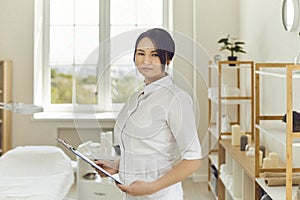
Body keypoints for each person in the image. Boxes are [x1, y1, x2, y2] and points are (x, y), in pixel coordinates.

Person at [95, 28, 202, 200]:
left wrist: (151, 188)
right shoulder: (136, 97)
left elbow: (193, 160)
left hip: (160, 196)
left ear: (168, 58)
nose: (146, 61)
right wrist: (116, 166)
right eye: (140, 53)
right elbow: (143, 150)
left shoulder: (176, 99)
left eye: (154, 54)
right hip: (132, 194)